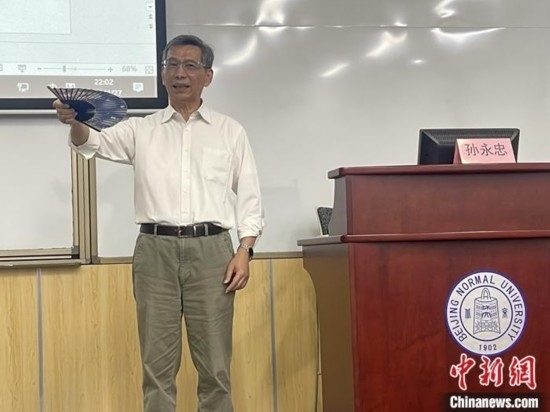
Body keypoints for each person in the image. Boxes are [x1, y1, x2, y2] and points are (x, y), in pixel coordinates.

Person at [53, 34, 264, 412]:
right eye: (172, 65)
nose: (180, 73)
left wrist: (244, 250)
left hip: (212, 252)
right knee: (157, 367)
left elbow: (249, 195)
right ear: (163, 75)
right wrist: (75, 122)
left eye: (190, 65)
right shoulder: (141, 129)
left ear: (208, 76)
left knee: (215, 367)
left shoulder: (230, 131)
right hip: (154, 252)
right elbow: (91, 143)